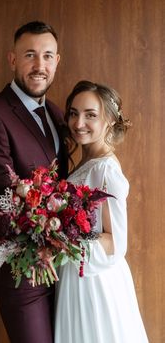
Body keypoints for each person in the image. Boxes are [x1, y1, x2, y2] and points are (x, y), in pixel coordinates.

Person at [0, 21, 68, 343]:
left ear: (56, 61)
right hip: (21, 268)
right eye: (30, 55)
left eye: (47, 56)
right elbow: (0, 193)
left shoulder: (56, 113)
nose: (40, 65)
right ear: (12, 59)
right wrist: (42, 244)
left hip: (61, 265)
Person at [55, 80, 149, 343]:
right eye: (74, 113)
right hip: (76, 275)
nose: (78, 122)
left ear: (109, 120)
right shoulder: (88, 161)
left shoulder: (105, 170)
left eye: (90, 115)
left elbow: (114, 242)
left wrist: (60, 244)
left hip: (93, 282)